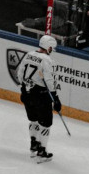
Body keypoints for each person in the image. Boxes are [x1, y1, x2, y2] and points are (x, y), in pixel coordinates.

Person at [15, 34, 61, 162]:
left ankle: (33, 145)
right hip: (41, 96)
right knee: (45, 124)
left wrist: (25, 87)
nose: (52, 50)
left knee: (33, 120)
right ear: (49, 47)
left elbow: (19, 73)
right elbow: (49, 81)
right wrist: (55, 98)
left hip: (26, 93)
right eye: (51, 48)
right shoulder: (47, 60)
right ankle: (42, 151)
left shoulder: (29, 54)